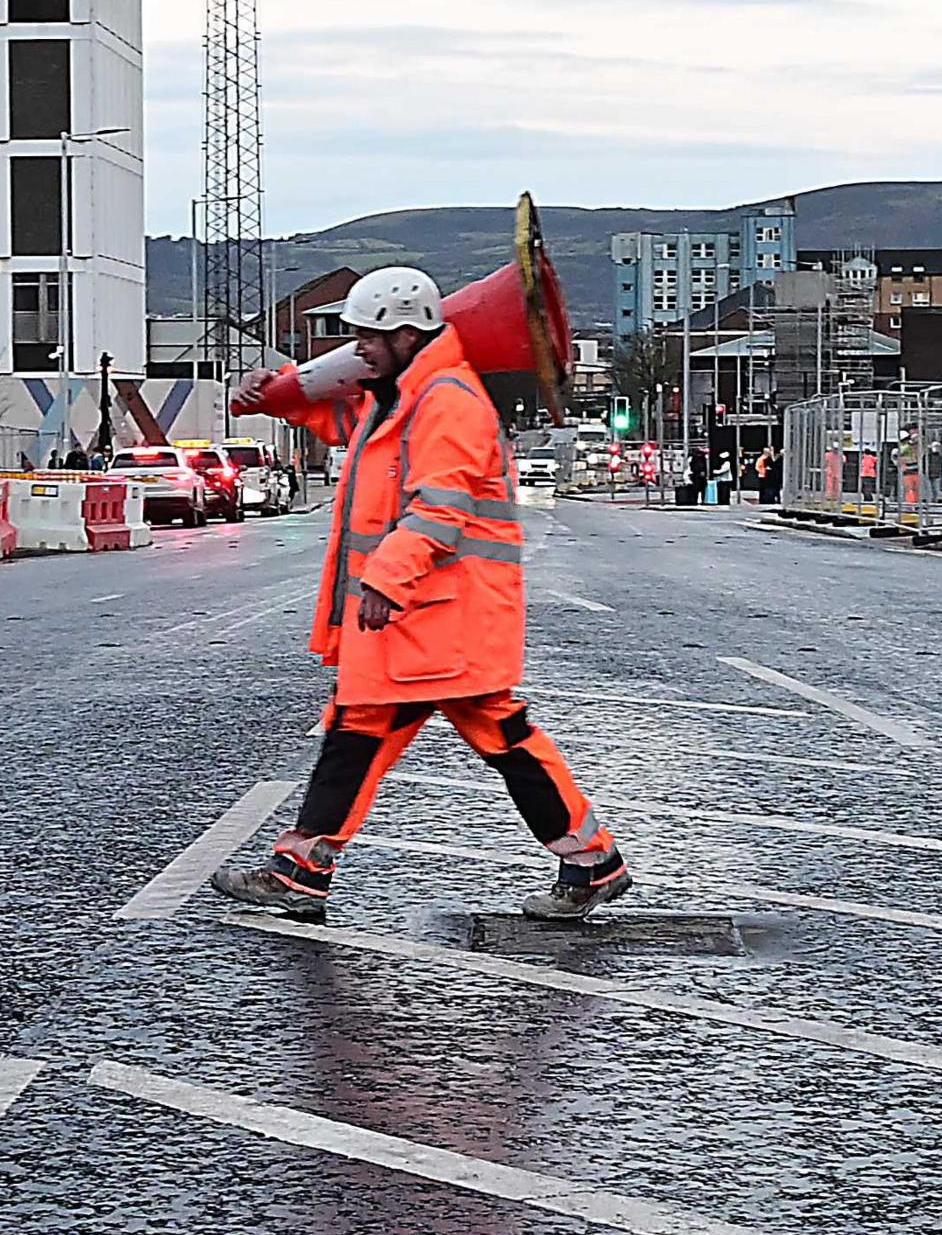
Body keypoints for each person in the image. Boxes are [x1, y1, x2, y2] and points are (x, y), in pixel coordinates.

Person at [209, 267, 629, 921]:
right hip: (432, 618)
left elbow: (439, 509)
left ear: (408, 335)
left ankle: (304, 865)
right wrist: (273, 396)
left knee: (393, 730)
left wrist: (385, 579)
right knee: (431, 732)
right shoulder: (405, 393)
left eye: (370, 338)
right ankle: (589, 859)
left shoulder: (446, 401)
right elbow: (339, 423)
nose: (358, 350)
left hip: (439, 613)